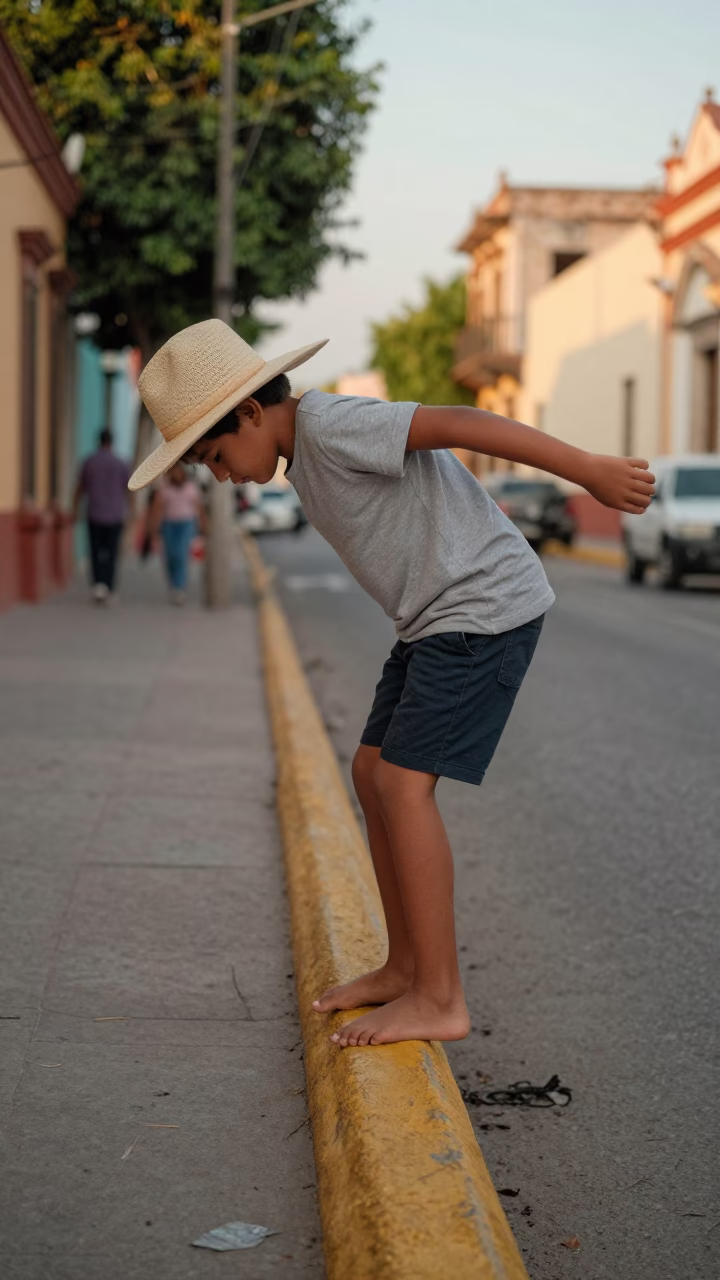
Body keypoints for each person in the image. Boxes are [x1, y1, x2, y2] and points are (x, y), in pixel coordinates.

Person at [129, 320, 655, 1049]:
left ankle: (441, 997)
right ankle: (404, 968)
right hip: (432, 622)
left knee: (405, 786)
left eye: (216, 457)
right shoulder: (302, 453)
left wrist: (587, 468)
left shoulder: (331, 423)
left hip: (482, 608)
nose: (222, 476)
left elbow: (463, 422)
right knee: (371, 770)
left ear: (251, 411)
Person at [73, 427, 131, 603]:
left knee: (96, 550)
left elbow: (80, 488)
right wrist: (130, 512)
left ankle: (98, 585)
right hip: (115, 515)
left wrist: (74, 509)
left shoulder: (89, 462)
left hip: (95, 513)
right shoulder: (121, 463)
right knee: (112, 552)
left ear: (99, 441)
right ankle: (109, 586)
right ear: (112, 442)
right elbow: (129, 490)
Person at [146, 462, 205, 604]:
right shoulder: (165, 488)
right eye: (174, 472)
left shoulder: (191, 487)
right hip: (169, 524)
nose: (176, 475)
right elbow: (157, 508)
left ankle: (180, 588)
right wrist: (152, 527)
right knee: (171, 555)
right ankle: (173, 585)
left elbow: (198, 508)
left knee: (181, 554)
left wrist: (203, 526)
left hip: (186, 524)